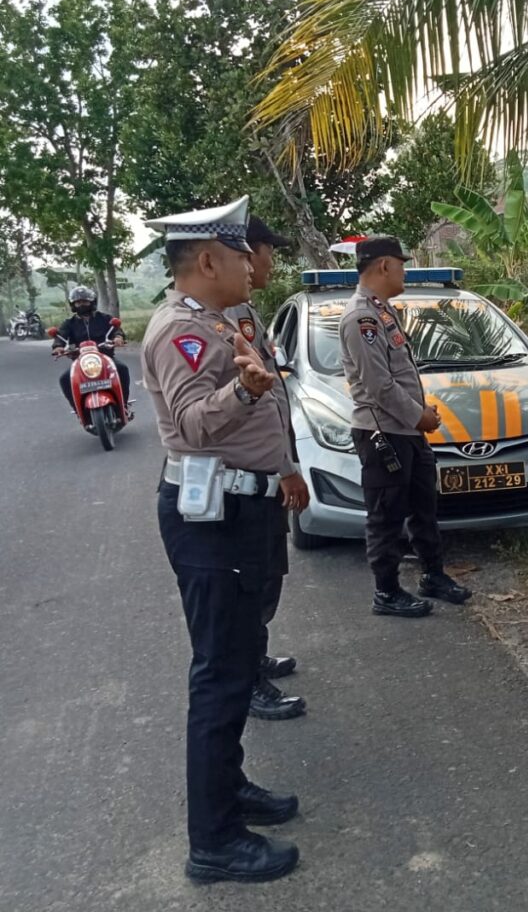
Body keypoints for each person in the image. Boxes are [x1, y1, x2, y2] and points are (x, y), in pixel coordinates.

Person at [141, 195, 310, 884]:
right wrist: (242, 392)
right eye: (243, 254)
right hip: (211, 520)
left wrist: (283, 463)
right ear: (208, 260)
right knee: (218, 677)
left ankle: (230, 789)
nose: (252, 265)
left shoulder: (217, 323)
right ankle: (212, 841)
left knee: (238, 665)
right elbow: (190, 426)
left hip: (242, 510)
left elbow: (263, 412)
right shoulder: (178, 333)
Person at [339, 236, 472, 617]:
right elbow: (379, 386)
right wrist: (419, 416)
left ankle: (433, 575)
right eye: (401, 264)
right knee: (386, 514)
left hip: (407, 432)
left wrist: (418, 413)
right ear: (383, 266)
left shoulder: (382, 311)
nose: (404, 271)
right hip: (385, 432)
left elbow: (399, 375)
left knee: (423, 507)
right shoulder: (361, 318)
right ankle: (387, 592)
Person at [224, 215, 306, 723]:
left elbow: (272, 392)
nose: (272, 260)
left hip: (266, 470)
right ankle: (247, 678)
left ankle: (254, 657)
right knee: (251, 581)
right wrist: (284, 468)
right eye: (268, 251)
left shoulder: (246, 311)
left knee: (267, 574)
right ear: (246, 254)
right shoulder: (227, 315)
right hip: (245, 478)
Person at [52, 286, 131, 411]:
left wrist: (118, 338)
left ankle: (123, 405)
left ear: (92, 302)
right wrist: (58, 347)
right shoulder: (69, 323)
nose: (81, 305)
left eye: (84, 301)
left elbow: (116, 329)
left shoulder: (104, 318)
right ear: (73, 305)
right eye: (78, 302)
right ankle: (78, 409)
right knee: (65, 379)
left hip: (105, 357)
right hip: (80, 360)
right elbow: (60, 336)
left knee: (122, 369)